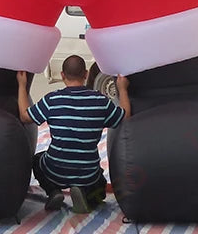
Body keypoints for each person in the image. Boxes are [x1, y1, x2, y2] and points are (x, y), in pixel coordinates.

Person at [17, 55, 131, 213]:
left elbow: (25, 116)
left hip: (55, 169)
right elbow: (124, 116)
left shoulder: (52, 99)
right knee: (99, 187)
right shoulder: (100, 101)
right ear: (86, 74)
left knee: (37, 160)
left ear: (62, 75)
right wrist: (123, 89)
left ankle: (53, 191)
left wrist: (22, 86)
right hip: (87, 173)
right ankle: (86, 196)